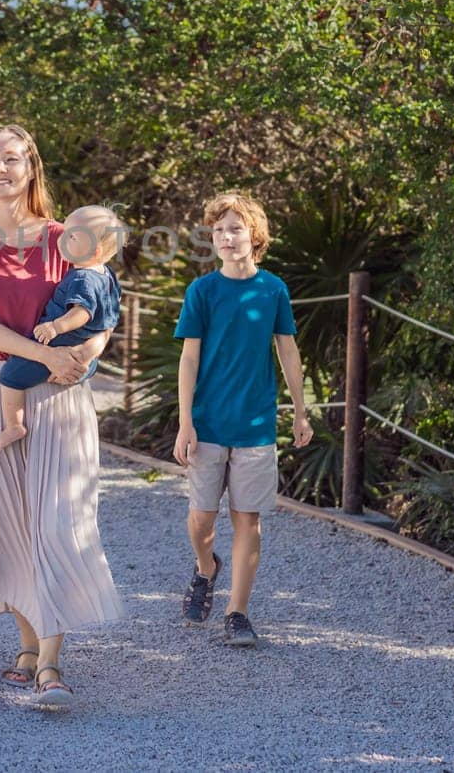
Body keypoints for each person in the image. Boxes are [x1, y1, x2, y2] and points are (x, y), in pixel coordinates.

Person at [0, 124, 124, 709]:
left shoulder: (65, 236)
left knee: (57, 522)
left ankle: (50, 664)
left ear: (31, 167)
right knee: (10, 526)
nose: (0, 168)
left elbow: (103, 305)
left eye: (12, 158)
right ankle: (26, 647)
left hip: (62, 391)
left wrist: (82, 360)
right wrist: (46, 354)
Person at [172, 191, 313, 646]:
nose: (226, 238)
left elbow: (287, 350)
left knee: (247, 519)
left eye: (235, 229)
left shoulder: (273, 289)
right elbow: (189, 358)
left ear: (255, 235)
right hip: (207, 422)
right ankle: (205, 568)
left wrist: (300, 412)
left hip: (255, 425)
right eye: (218, 231)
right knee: (201, 519)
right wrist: (185, 422)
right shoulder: (203, 291)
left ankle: (237, 612)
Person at [0, 204, 124, 452]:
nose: (63, 238)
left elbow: (81, 312)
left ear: (93, 250)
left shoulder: (82, 278)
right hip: (86, 356)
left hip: (60, 346)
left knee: (10, 376)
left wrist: (55, 327)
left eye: (72, 236)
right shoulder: (107, 274)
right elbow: (111, 311)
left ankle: (13, 425)